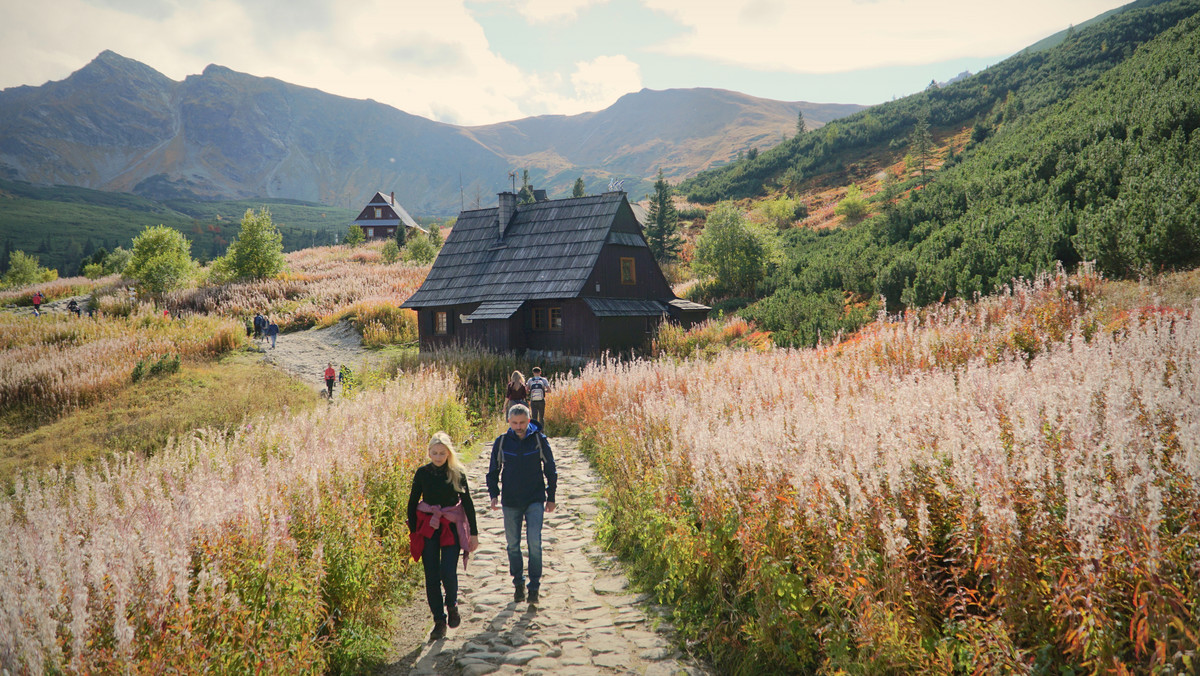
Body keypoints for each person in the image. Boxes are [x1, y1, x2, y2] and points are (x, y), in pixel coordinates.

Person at [408, 432, 479, 641]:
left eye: (442, 453)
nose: (438, 457)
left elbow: (467, 503)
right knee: (431, 575)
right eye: (434, 453)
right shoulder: (422, 473)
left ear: (448, 453)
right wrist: (414, 532)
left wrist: (473, 533)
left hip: (450, 526)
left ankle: (452, 605)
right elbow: (412, 503)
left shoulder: (456, 472)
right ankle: (439, 621)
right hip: (429, 527)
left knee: (448, 571)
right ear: (429, 452)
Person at [487, 404, 556, 605]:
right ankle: (518, 583)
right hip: (511, 501)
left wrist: (550, 496)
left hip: (535, 498)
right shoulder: (502, 442)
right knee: (513, 545)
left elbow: (550, 469)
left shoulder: (538, 440)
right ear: (509, 422)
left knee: (534, 543)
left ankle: (534, 586)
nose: (519, 426)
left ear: (528, 421)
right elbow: (493, 471)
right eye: (515, 423)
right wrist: (494, 495)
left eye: (522, 423)